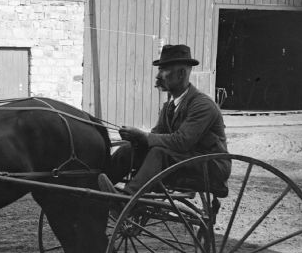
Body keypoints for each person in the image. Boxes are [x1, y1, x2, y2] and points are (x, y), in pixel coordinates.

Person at [98, 44, 231, 199]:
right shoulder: (169, 106)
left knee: (158, 153)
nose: (158, 76)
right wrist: (137, 139)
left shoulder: (203, 105)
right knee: (129, 149)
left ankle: (127, 199)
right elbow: (157, 136)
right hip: (184, 160)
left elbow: (182, 142)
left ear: (181, 74)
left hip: (210, 167)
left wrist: (144, 136)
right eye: (159, 70)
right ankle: (98, 191)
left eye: (164, 70)